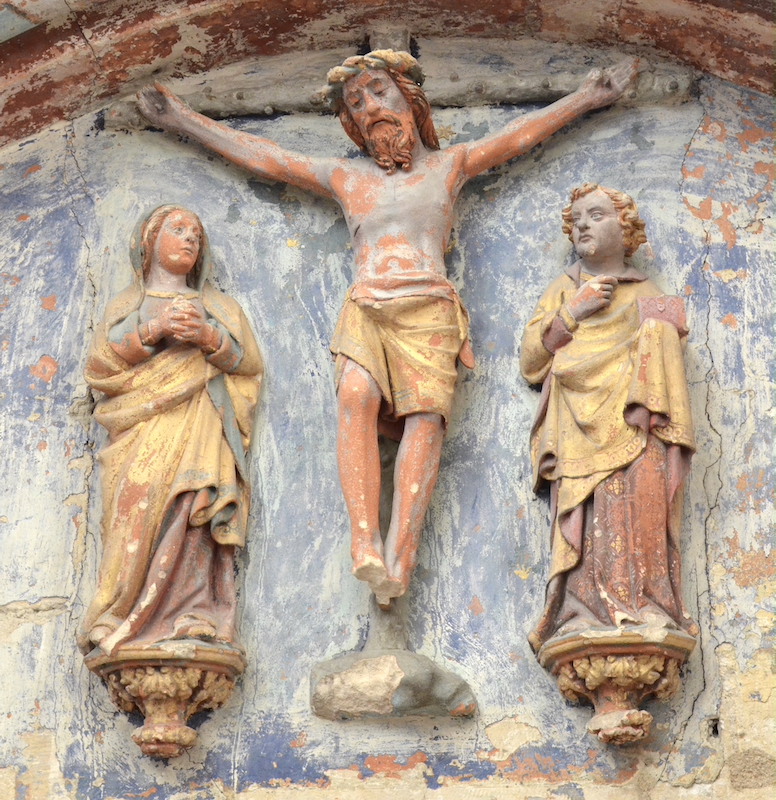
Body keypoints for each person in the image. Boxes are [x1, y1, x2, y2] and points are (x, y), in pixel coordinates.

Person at [137, 50, 636, 607]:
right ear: (351, 126)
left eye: (379, 93)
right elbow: (270, 159)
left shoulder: (448, 167)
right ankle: (365, 543)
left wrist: (590, 96)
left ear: (410, 100)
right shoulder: (347, 177)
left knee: (425, 420)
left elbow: (518, 138)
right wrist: (180, 118)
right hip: (368, 304)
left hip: (429, 307)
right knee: (355, 395)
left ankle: (402, 556)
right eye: (357, 103)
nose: (370, 107)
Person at [520, 184, 698, 651]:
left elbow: (665, 363)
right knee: (591, 515)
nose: (582, 224)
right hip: (578, 427)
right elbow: (531, 360)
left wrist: (662, 330)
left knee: (639, 507)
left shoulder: (646, 293)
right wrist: (572, 312)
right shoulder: (562, 289)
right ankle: (581, 611)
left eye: (596, 215)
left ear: (626, 228)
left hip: (638, 428)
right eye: (576, 218)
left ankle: (649, 605)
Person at [78, 206, 263, 656]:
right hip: (140, 431)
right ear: (149, 241)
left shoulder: (219, 308)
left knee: (196, 503)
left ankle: (195, 612)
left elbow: (250, 365)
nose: (189, 239)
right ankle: (115, 613)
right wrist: (156, 328)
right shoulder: (129, 304)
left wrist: (207, 337)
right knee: (134, 510)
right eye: (177, 230)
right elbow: (102, 366)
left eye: (196, 234)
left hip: (201, 423)